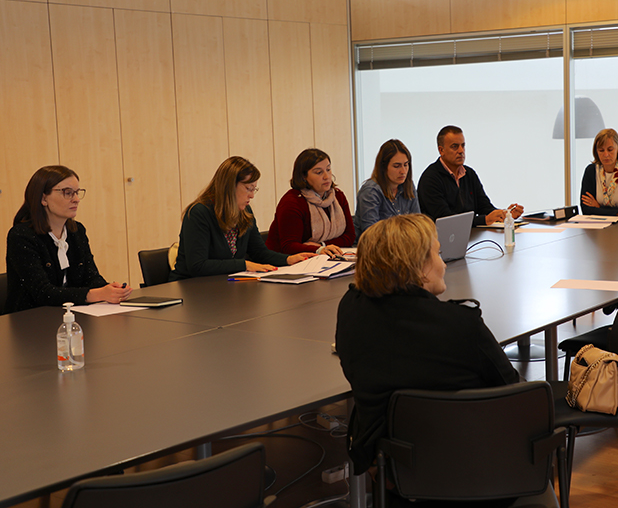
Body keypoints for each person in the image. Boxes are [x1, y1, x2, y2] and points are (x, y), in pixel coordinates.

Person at [335, 213, 520, 475]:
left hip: (394, 469)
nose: (443, 264)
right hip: (478, 469)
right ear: (417, 267)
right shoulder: (461, 325)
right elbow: (513, 390)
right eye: (438, 253)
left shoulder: (351, 309)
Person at [5, 165, 132, 314]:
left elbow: (91, 277)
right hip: (30, 321)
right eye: (68, 193)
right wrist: (96, 294)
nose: (76, 199)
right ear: (43, 198)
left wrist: (110, 290)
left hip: (71, 315)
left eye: (77, 193)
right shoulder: (21, 236)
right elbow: (43, 293)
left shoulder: (76, 231)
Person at [171, 156, 312, 280]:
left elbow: (259, 253)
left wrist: (288, 259)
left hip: (222, 287)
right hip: (190, 288)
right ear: (230, 187)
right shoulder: (199, 213)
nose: (252, 195)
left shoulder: (244, 212)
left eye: (254, 189)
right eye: (248, 188)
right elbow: (198, 266)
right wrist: (244, 264)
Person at [417, 125, 524, 227]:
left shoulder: (469, 173)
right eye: (455, 147)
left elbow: (484, 207)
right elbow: (446, 220)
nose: (461, 151)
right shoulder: (430, 179)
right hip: (442, 241)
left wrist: (505, 214)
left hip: (471, 236)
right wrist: (485, 220)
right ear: (441, 150)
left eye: (463, 145)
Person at [266, 148, 355, 257]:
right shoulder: (292, 202)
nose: (326, 176)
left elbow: (350, 236)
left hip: (323, 259)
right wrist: (319, 249)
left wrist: (322, 246)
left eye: (328, 169)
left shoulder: (338, 196)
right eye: (319, 172)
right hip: (284, 263)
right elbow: (289, 246)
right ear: (303, 176)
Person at [353, 139, 420, 241]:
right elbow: (372, 234)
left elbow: (418, 225)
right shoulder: (370, 191)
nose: (403, 171)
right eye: (396, 166)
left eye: (406, 165)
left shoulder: (408, 186)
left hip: (404, 247)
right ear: (384, 167)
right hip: (376, 250)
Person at [580, 128, 618, 217]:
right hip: (597, 226)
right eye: (601, 150)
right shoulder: (591, 171)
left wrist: (598, 208)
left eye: (610, 150)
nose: (605, 155)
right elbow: (586, 210)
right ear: (596, 152)